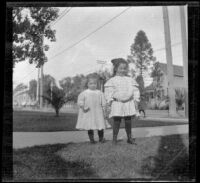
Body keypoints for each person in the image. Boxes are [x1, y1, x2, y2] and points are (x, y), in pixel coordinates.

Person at [104, 58, 140, 145]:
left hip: (128, 103)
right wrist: (109, 102)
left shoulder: (130, 80)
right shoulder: (112, 81)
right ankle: (114, 139)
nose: (123, 70)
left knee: (128, 121)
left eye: (125, 68)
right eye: (121, 68)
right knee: (117, 121)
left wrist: (136, 100)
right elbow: (109, 92)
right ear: (116, 68)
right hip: (117, 103)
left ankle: (129, 138)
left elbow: (135, 91)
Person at [76, 75, 111, 144]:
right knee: (90, 126)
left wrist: (105, 110)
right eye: (90, 84)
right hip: (89, 112)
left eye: (94, 83)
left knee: (100, 125)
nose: (93, 85)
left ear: (97, 84)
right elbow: (80, 101)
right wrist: (83, 106)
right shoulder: (84, 93)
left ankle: (101, 139)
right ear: (87, 84)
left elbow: (103, 102)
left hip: (98, 112)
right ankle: (92, 140)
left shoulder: (100, 93)